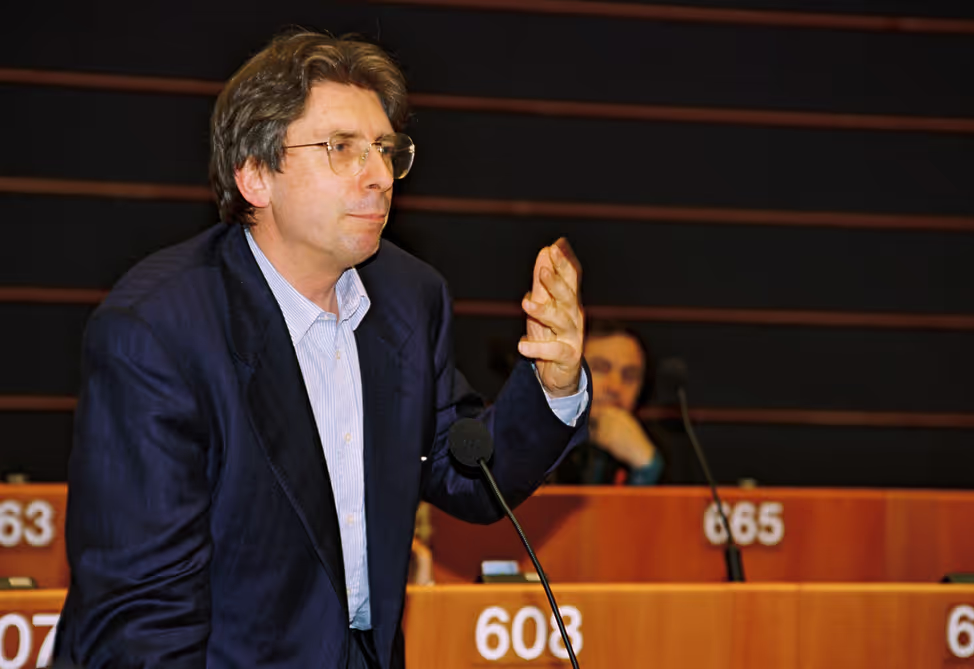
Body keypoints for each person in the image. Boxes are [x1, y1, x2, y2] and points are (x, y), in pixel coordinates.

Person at [54, 30, 589, 669]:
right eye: (342, 148)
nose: (380, 176)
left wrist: (555, 385)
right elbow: (142, 619)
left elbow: (463, 469)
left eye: (385, 150)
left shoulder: (408, 296)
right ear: (255, 175)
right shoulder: (156, 332)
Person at [553, 321, 667, 485]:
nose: (615, 387)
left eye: (630, 375)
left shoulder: (662, 448)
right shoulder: (533, 441)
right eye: (600, 368)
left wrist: (647, 469)